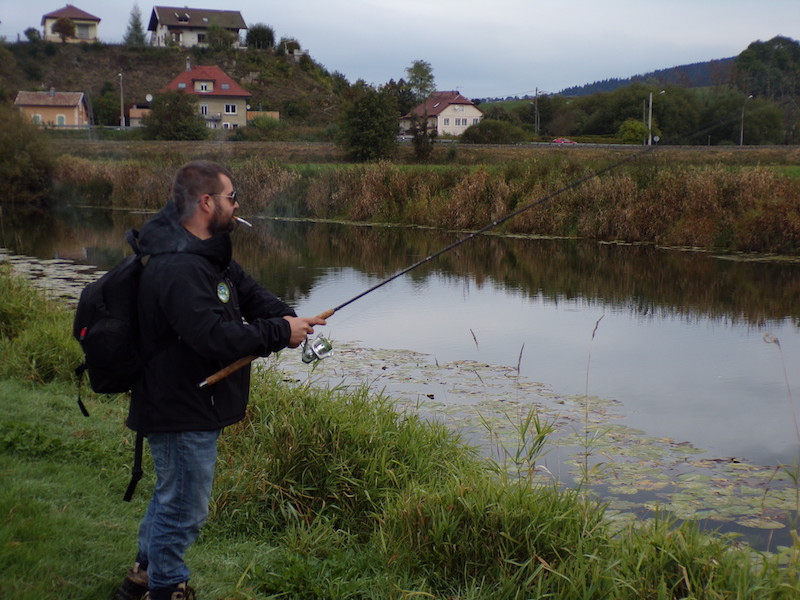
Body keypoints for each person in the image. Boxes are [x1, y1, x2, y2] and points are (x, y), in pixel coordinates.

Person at [113, 160, 326, 600]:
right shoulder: (178, 266)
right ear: (207, 202)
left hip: (188, 402)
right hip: (178, 406)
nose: (237, 205)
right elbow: (211, 337)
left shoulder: (207, 254)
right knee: (184, 507)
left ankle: (143, 576)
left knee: (171, 495)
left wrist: (288, 319)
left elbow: (247, 292)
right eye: (232, 197)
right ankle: (167, 588)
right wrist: (278, 333)